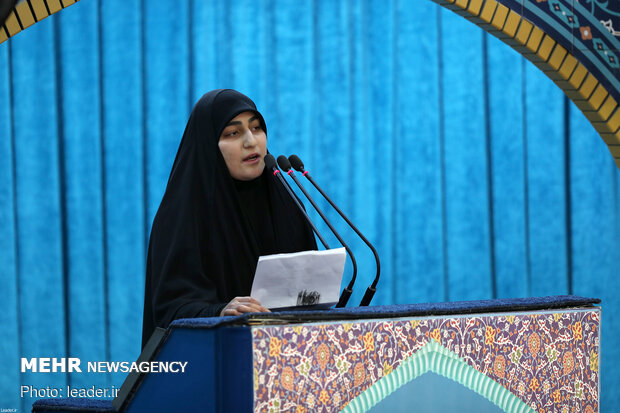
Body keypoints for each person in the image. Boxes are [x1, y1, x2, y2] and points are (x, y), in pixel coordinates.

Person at [141, 89, 317, 346]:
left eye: (256, 128)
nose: (251, 142)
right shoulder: (182, 216)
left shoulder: (287, 204)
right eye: (233, 133)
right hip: (212, 364)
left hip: (290, 362)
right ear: (209, 145)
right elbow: (169, 311)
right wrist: (220, 313)